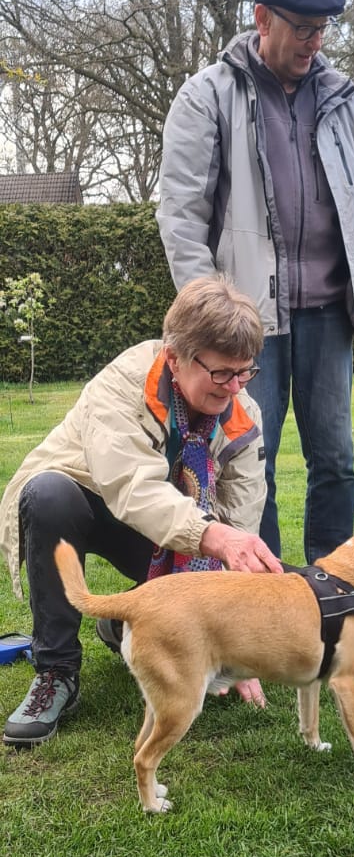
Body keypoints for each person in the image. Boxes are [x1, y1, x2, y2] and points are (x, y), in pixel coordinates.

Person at [156, 0, 354, 564]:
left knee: (336, 459)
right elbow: (181, 213)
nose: (314, 43)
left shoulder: (344, 101)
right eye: (302, 29)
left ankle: (332, 586)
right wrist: (208, 316)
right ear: (263, 19)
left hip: (329, 313)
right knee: (246, 459)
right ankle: (259, 589)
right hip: (245, 322)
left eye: (322, 30)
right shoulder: (207, 95)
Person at [1, 275, 282, 748]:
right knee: (48, 495)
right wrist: (215, 537)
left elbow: (241, 519)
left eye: (245, 372)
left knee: (238, 557)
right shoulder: (121, 385)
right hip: (94, 500)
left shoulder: (242, 412)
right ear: (174, 357)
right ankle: (57, 673)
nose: (234, 387)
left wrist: (236, 647)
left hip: (179, 523)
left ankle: (125, 622)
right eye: (220, 373)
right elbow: (133, 488)